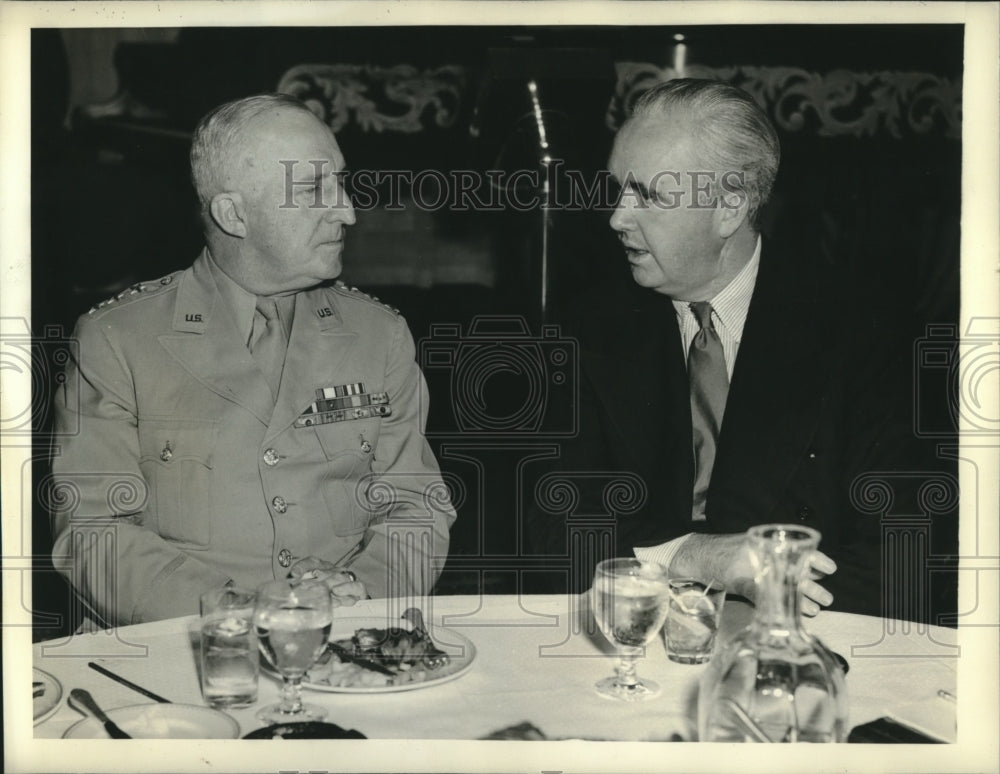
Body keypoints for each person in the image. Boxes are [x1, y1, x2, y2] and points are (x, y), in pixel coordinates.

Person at [529, 79, 950, 619]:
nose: (617, 217)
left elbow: (907, 551)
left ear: (730, 207)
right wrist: (693, 557)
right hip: (637, 630)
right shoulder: (585, 328)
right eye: (617, 188)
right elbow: (551, 529)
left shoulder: (867, 333)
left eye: (648, 196)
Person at [50, 94, 457, 626]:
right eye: (313, 189)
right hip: (183, 649)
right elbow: (92, 533)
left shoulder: (379, 335)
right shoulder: (118, 340)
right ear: (234, 214)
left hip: (345, 640)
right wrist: (239, 613)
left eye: (340, 182)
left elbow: (417, 505)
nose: (348, 211)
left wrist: (362, 590)